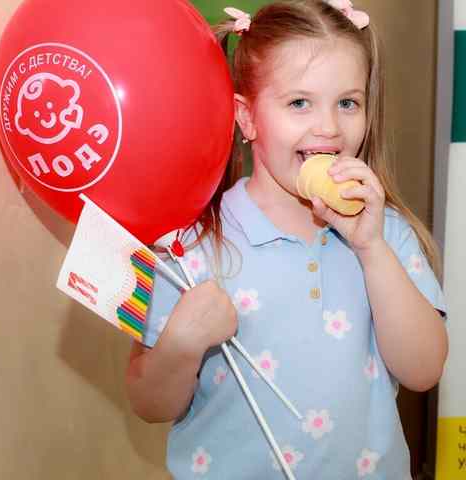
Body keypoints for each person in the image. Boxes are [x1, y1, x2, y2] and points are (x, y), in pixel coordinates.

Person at [126, 1, 448, 478]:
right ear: (247, 117)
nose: (329, 127)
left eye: (348, 103)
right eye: (300, 103)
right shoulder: (188, 246)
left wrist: (372, 249)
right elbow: (147, 403)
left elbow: (424, 371)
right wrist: (180, 345)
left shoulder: (385, 231)